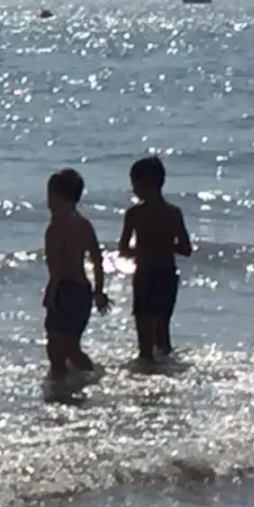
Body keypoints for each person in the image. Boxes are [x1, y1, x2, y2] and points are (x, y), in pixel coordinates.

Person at [118, 155, 192, 363]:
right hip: (166, 273)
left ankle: (148, 370)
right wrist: (165, 246)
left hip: (146, 274)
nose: (133, 189)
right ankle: (164, 370)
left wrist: (143, 249)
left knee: (145, 333)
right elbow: (186, 248)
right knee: (162, 330)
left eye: (135, 184)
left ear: (146, 183)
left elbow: (123, 249)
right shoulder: (173, 213)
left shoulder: (134, 214)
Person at [43, 168, 110, 380]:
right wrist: (99, 290)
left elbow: (58, 265)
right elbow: (98, 258)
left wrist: (50, 292)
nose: (48, 202)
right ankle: (77, 377)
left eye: (50, 196)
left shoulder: (56, 226)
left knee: (58, 345)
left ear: (58, 196)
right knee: (69, 344)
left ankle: (68, 378)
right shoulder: (83, 223)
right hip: (82, 290)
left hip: (65, 289)